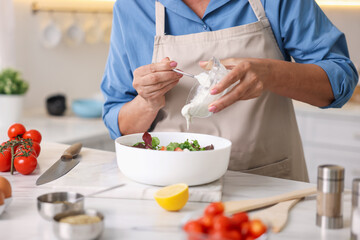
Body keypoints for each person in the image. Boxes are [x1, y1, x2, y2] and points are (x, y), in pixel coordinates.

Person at [101, 0, 358, 182]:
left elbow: (341, 81)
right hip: (169, 186)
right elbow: (119, 124)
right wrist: (147, 102)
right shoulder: (131, 7)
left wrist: (272, 73)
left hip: (267, 184)